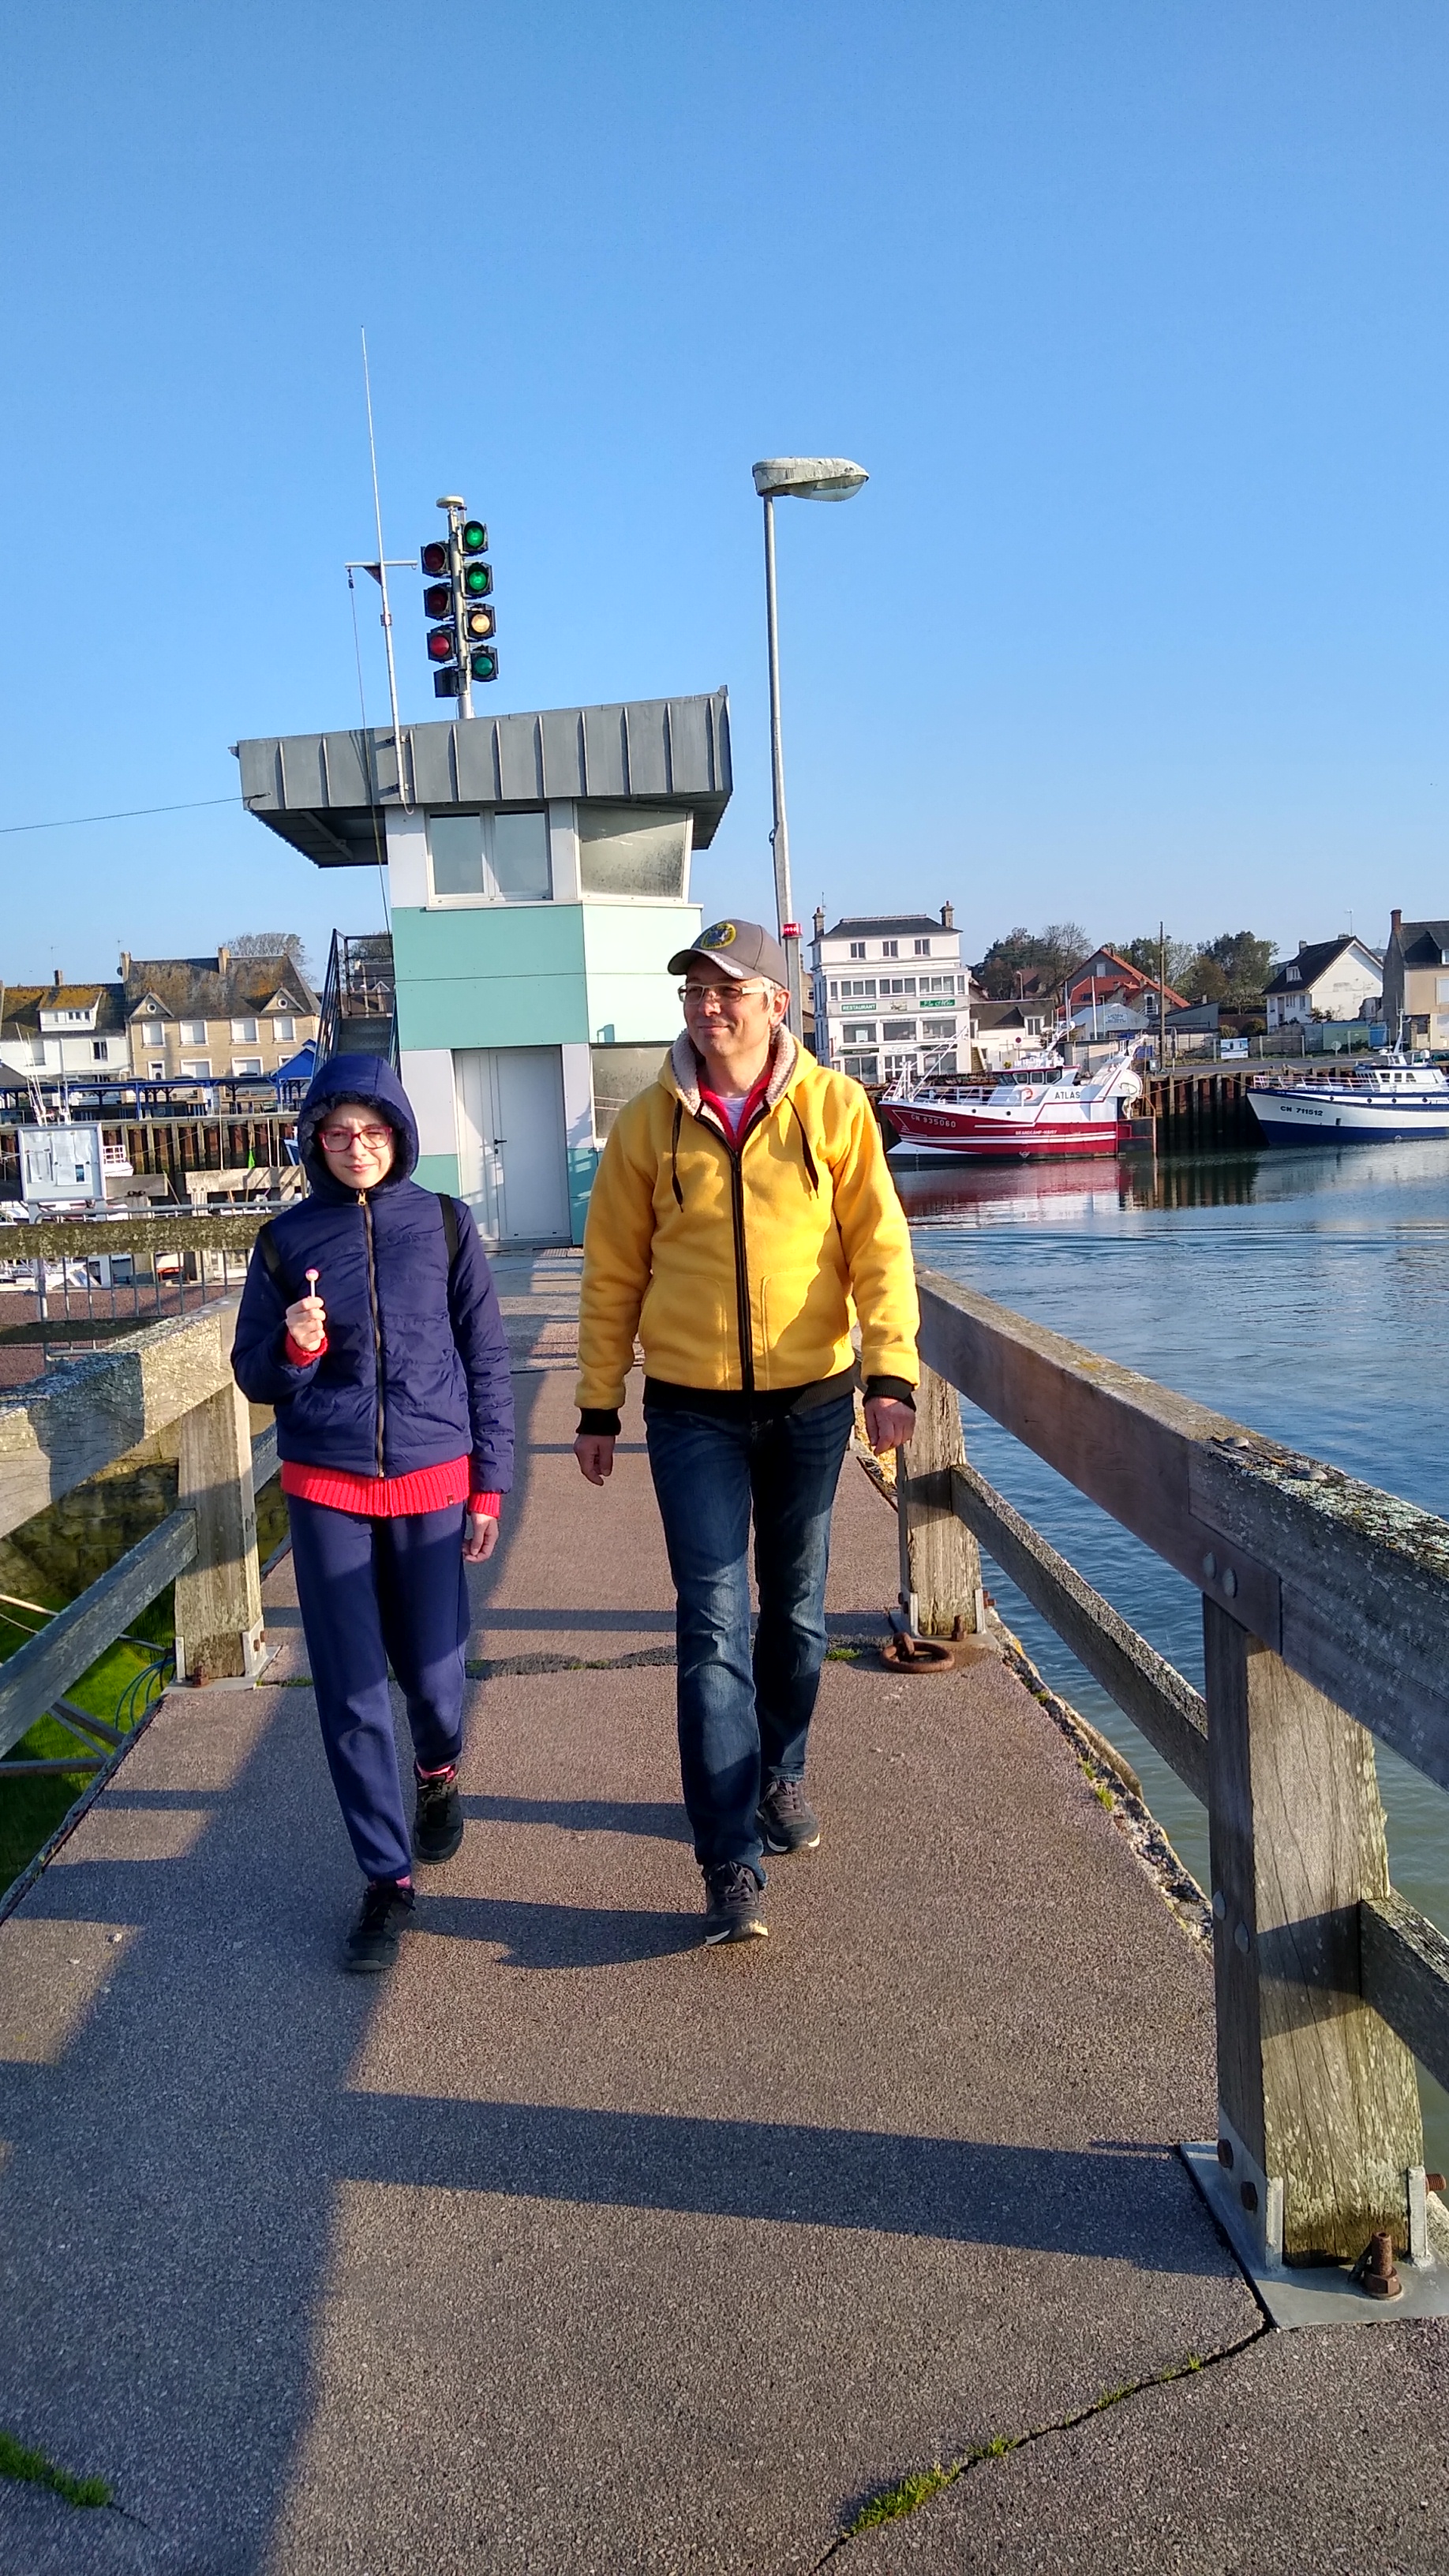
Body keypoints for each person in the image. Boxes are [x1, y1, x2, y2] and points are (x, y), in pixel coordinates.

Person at [574, 917, 919, 1945]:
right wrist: (598, 1402)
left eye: (728, 990)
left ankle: (782, 1771)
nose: (709, 1007)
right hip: (691, 1408)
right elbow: (612, 1272)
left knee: (798, 1615)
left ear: (777, 1003)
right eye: (695, 991)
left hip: (813, 1399)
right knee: (713, 1625)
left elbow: (879, 1250)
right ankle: (727, 1860)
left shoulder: (833, 1108)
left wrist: (890, 1373)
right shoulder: (647, 1125)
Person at [232, 1055, 514, 1972]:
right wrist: (295, 1350)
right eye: (339, 1133)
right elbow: (252, 1372)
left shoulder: (446, 1225)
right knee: (352, 1693)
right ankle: (386, 1882)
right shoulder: (283, 1242)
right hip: (327, 1487)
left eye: (374, 1130)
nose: (357, 1147)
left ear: (399, 1133)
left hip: (433, 1479)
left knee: (434, 1677)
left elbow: (487, 1359)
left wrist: (489, 1485)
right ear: (316, 1139)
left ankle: (439, 1769)